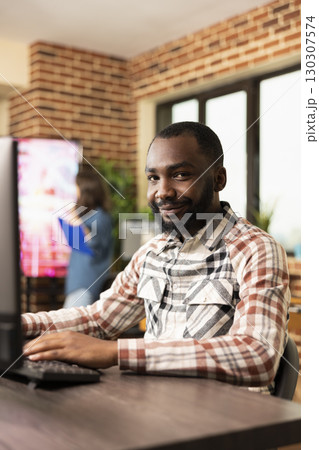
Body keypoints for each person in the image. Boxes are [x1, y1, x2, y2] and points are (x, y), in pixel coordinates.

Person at [22, 122, 290, 393]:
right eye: (153, 178)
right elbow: (98, 320)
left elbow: (257, 355)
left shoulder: (256, 249)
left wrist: (117, 353)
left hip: (228, 421)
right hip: (157, 406)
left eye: (181, 174)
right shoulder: (151, 253)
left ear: (218, 179)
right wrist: (18, 324)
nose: (163, 191)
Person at [63, 165, 113, 308]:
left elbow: (95, 245)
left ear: (85, 190)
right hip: (77, 283)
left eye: (76, 187)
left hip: (86, 285)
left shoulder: (100, 217)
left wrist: (78, 223)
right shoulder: (86, 217)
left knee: (71, 325)